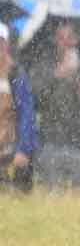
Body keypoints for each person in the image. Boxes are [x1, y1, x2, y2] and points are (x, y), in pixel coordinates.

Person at [26, 20, 80, 190]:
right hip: (51, 144)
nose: (66, 42)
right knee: (53, 196)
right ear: (55, 41)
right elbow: (33, 100)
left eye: (69, 37)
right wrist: (56, 75)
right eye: (61, 38)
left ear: (76, 39)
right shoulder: (44, 66)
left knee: (79, 198)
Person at [0, 30, 37, 192]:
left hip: (11, 150)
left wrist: (22, 149)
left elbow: (26, 115)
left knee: (18, 198)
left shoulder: (16, 75)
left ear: (6, 46)